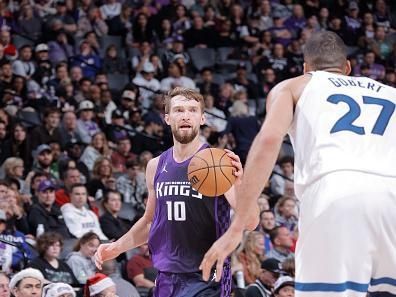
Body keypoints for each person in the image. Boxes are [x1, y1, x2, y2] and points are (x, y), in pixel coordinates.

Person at [201, 31, 396, 296]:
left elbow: (269, 140)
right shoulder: (390, 93)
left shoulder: (294, 86)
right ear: (347, 67)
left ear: (306, 68)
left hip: (335, 192)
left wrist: (238, 225)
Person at [95, 87, 243, 296]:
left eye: (192, 110)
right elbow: (150, 221)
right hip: (167, 276)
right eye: (179, 110)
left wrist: (238, 184)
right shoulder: (155, 165)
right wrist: (117, 247)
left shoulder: (218, 162)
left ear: (202, 118)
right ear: (167, 118)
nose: (185, 116)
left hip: (208, 276)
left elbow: (251, 221)